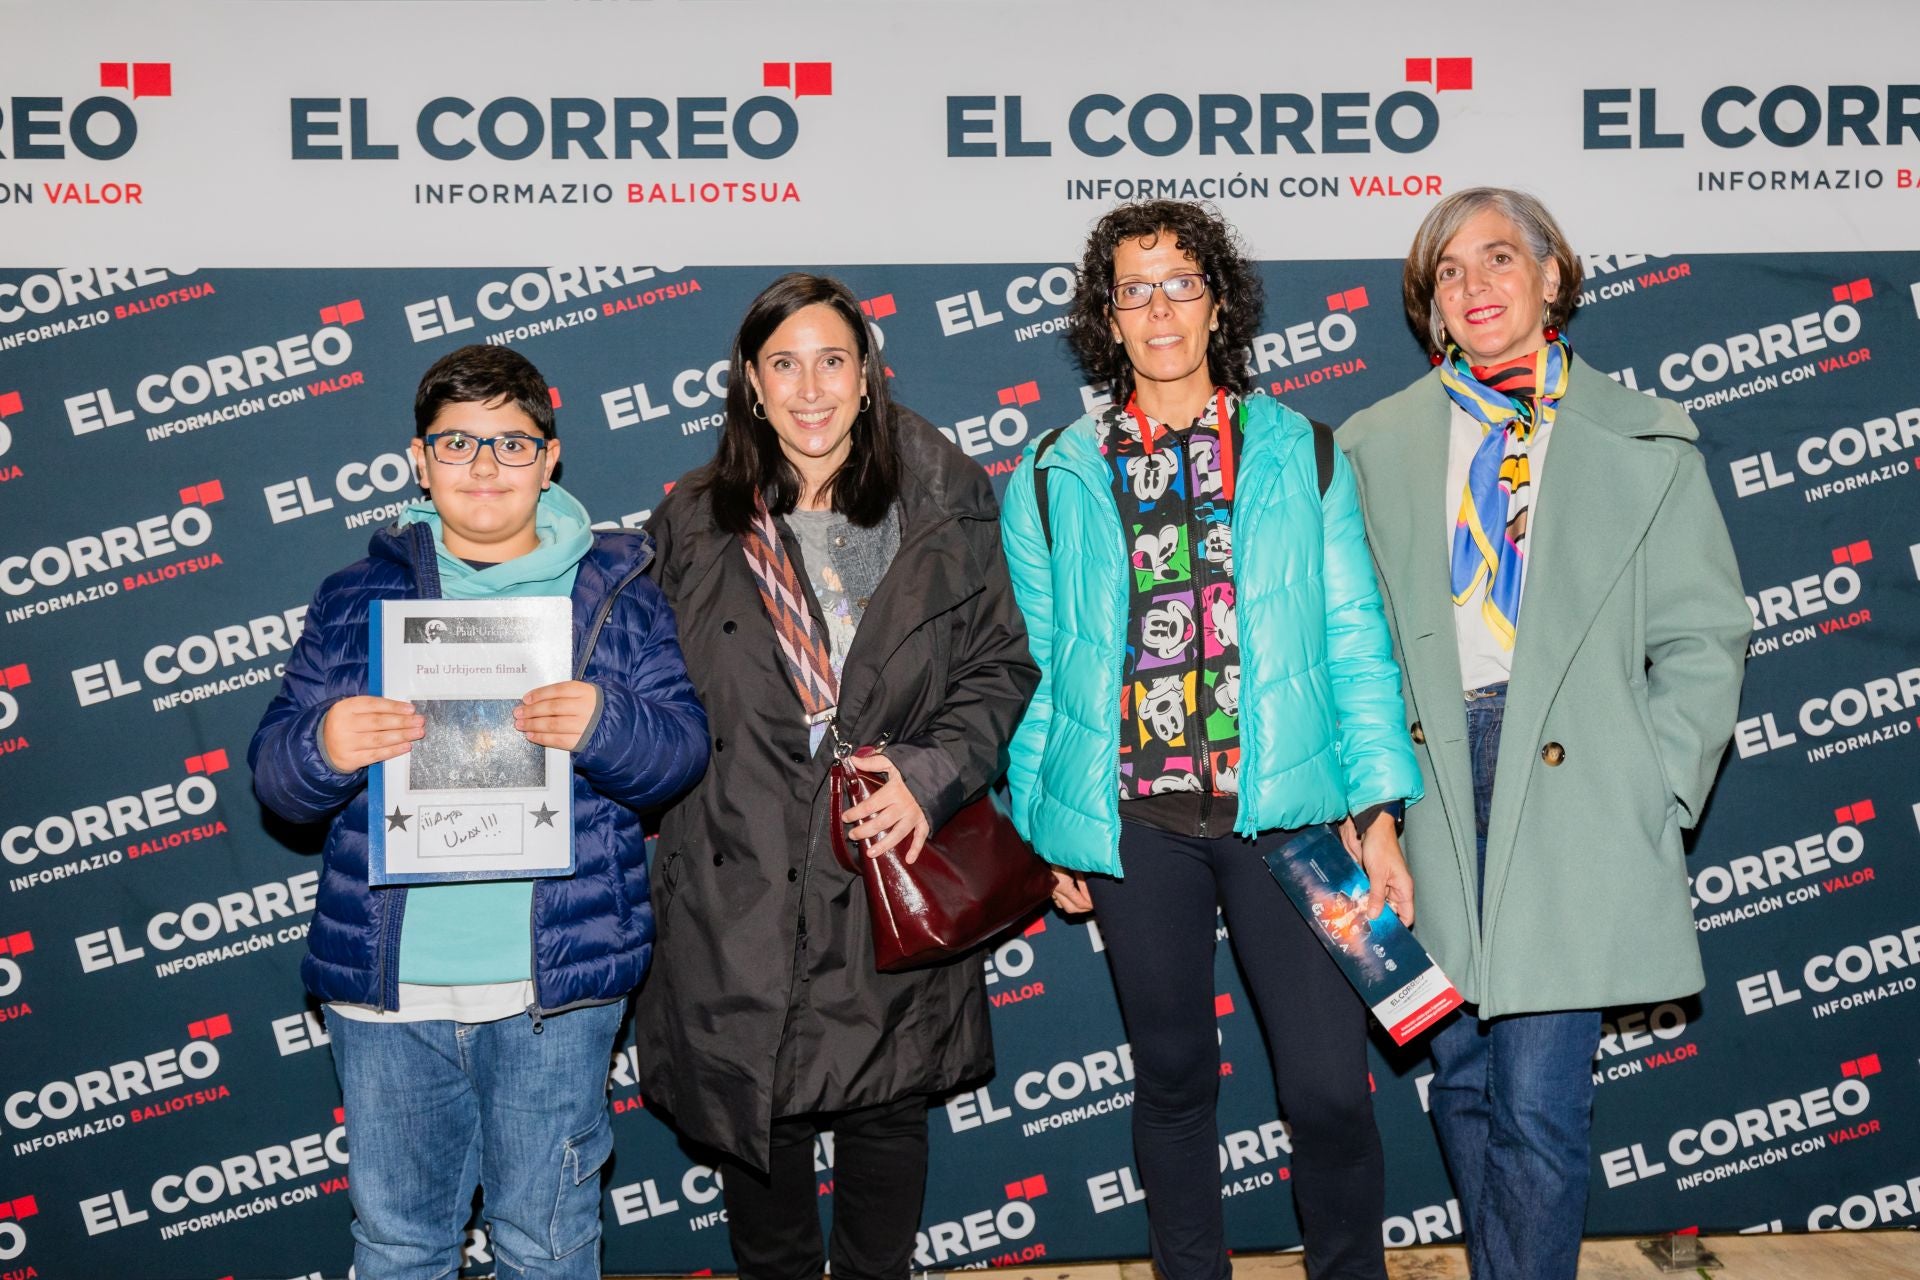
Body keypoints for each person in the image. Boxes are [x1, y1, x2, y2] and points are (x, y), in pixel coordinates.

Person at [999, 200, 1423, 1280]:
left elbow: (1356, 639)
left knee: (1331, 1084)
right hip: (1138, 825)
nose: (1158, 308)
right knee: (1176, 1076)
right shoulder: (1054, 471)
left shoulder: (1302, 449)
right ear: (1107, 314)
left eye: (1179, 282)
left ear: (1219, 301)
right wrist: (1052, 824)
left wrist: (1379, 813)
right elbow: (1042, 666)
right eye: (1133, 288)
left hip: (1293, 815)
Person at [1338, 187, 1748, 1280]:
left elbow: (1705, 633)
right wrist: (1369, 800)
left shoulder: (1641, 435)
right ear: (1431, 305)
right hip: (1431, 785)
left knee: (1538, 1096)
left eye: (1499, 259)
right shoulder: (1376, 445)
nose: (1476, 286)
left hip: (1572, 787)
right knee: (1464, 1079)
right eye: (1450, 272)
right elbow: (1353, 638)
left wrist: (1652, 791)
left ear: (1552, 277)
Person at [249, 344, 707, 1280]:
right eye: (458, 443)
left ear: (550, 457)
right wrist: (325, 745)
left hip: (551, 990)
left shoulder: (615, 593)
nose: (486, 467)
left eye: (511, 442)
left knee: (548, 1244)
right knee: (397, 1246)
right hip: (388, 993)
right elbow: (276, 778)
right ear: (420, 463)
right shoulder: (353, 598)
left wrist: (607, 722)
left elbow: (681, 751)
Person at [634, 273, 1037, 1280]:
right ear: (750, 384)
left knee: (886, 1117)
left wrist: (931, 773)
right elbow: (647, 688)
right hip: (740, 875)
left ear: (867, 376)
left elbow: (1000, 666)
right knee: (756, 1128)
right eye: (783, 363)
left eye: (831, 359)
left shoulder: (942, 500)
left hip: (879, 858)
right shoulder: (691, 518)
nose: (808, 387)